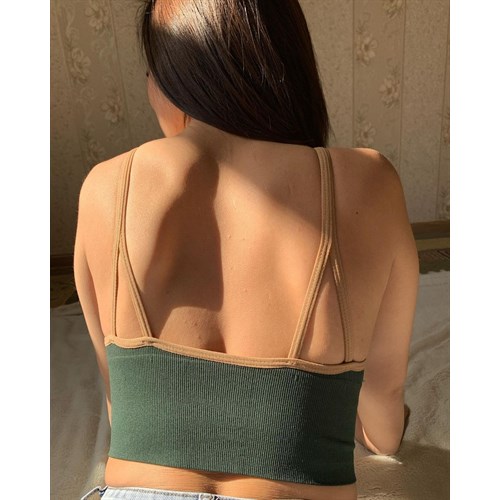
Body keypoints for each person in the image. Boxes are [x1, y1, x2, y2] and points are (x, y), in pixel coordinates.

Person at [74, 0, 418, 499]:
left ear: (175, 80)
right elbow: (384, 406)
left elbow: (121, 408)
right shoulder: (370, 183)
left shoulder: (105, 188)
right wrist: (378, 431)